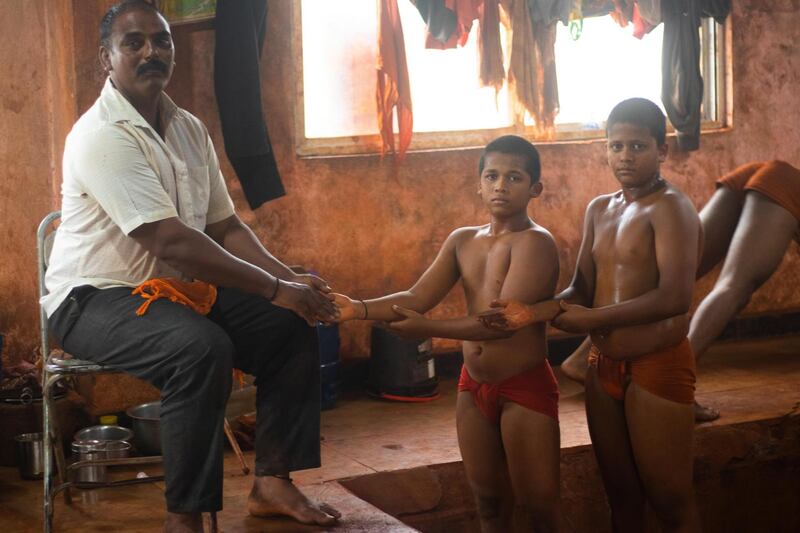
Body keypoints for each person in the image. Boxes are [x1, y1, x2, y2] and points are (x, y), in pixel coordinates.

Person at [42, 2, 340, 530]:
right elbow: (171, 239)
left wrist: (288, 282)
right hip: (92, 299)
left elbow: (224, 226)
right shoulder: (102, 133)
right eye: (133, 43)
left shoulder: (186, 128)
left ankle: (273, 482)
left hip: (172, 291)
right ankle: (186, 517)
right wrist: (274, 286)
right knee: (199, 349)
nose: (151, 51)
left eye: (162, 41)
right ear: (105, 58)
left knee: (289, 323)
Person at [483, 99, 702, 532]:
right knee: (620, 497)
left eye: (638, 147)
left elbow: (675, 298)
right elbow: (579, 290)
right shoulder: (600, 209)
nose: (625, 156)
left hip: (656, 365)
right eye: (616, 146)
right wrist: (532, 311)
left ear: (663, 150)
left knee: (670, 499)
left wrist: (594, 320)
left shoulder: (672, 208)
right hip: (602, 368)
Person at [334, 135, 563, 532]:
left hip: (523, 386)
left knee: (538, 511)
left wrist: (428, 330)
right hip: (472, 387)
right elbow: (416, 296)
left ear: (535, 188)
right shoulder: (463, 240)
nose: (500, 186)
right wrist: (358, 308)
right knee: (489, 503)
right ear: (478, 183)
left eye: (514, 177)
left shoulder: (536, 244)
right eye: (491, 176)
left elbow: (499, 324)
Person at [556, 159, 800, 422]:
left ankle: (582, 359)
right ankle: (678, 388)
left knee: (671, 272)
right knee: (735, 286)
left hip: (763, 171)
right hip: (784, 182)